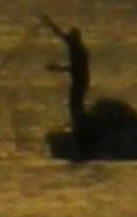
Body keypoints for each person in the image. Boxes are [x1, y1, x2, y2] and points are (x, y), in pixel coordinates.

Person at [39, 14, 98, 157]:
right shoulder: (74, 46)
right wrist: (48, 22)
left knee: (75, 104)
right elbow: (60, 35)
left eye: (71, 37)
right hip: (79, 80)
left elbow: (74, 68)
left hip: (81, 80)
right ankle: (79, 129)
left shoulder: (80, 51)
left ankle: (81, 133)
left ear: (76, 38)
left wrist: (56, 68)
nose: (69, 39)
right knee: (74, 105)